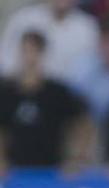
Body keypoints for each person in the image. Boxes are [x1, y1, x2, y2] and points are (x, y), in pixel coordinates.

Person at [0, 31, 91, 174]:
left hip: (52, 171)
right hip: (15, 172)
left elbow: (83, 123)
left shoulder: (57, 92)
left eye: (34, 51)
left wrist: (76, 159)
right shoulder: (7, 92)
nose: (30, 57)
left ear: (42, 54)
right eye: (25, 51)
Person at [0, 0, 99, 91]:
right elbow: (5, 59)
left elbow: (91, 71)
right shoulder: (24, 18)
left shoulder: (88, 27)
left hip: (67, 95)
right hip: (22, 89)